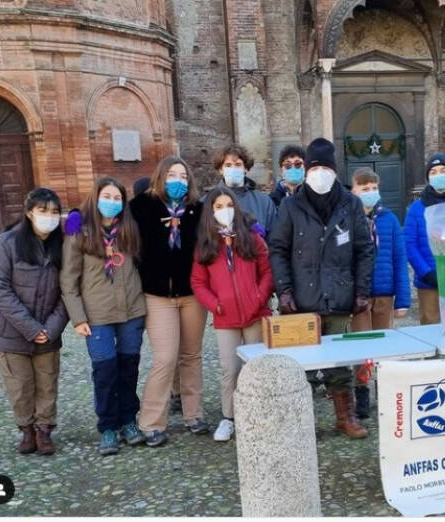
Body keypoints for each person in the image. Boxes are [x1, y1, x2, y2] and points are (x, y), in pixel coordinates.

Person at [268, 137, 374, 439]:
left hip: (340, 295)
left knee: (339, 363)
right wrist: (284, 291)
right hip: (302, 297)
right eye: (315, 167)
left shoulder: (350, 204)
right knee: (300, 364)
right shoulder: (290, 205)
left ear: (335, 170)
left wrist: (361, 291)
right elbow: (277, 249)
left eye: (326, 167)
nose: (320, 173)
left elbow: (364, 250)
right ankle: (299, 422)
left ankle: (346, 417)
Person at [60, 176, 146, 456]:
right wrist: (78, 317)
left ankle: (128, 420)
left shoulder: (130, 229)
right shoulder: (80, 232)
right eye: (106, 197)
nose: (112, 202)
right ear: (96, 198)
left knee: (129, 367)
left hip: (131, 310)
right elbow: (69, 279)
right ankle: (108, 426)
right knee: (105, 371)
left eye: (117, 198)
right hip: (97, 315)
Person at [129, 155, 209, 445]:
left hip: (191, 295)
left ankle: (194, 414)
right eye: (173, 175)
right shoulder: (141, 208)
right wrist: (76, 222)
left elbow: (221, 231)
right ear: (161, 177)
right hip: (157, 295)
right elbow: (109, 226)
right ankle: (151, 421)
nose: (179, 181)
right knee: (165, 358)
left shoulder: (198, 210)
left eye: (184, 176)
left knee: (191, 356)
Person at [0, 188, 68, 456]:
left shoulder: (63, 245)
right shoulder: (7, 243)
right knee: (19, 386)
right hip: (10, 333)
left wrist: (51, 328)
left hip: (48, 331)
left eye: (55, 212)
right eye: (43, 211)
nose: (49, 217)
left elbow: (69, 290)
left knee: (47, 383)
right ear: (29, 212)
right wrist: (31, 328)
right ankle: (27, 430)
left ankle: (44, 430)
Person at [191, 187, 273, 442]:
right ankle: (229, 417)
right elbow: (198, 282)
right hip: (225, 318)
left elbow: (267, 272)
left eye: (229, 205)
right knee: (230, 368)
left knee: (257, 366)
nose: (224, 210)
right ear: (211, 212)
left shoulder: (252, 238)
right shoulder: (206, 245)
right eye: (218, 206)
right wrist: (215, 304)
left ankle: (260, 413)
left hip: (255, 314)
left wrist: (259, 297)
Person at [349, 167, 410, 418]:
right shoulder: (348, 219)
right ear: (354, 191)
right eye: (365, 189)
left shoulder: (390, 220)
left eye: (374, 188)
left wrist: (403, 298)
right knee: (361, 348)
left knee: (385, 347)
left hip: (385, 294)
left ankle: (385, 391)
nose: (370, 193)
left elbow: (399, 258)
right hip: (359, 297)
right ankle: (362, 393)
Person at [404, 153, 445, 325]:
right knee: (430, 325)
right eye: (433, 172)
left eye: (442, 171)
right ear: (428, 178)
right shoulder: (416, 209)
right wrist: (425, 272)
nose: (438, 175)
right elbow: (410, 245)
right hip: (429, 280)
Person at [213, 144, 276, 237]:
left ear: (245, 168)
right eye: (228, 165)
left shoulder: (264, 202)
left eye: (238, 165)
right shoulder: (207, 201)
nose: (233, 169)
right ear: (220, 169)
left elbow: (274, 239)